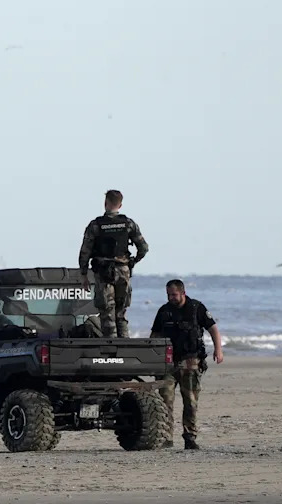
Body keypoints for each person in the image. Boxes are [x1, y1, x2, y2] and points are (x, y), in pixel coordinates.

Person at [151, 279, 224, 450]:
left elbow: (213, 328)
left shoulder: (196, 308)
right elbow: (154, 335)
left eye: (174, 295)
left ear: (183, 293)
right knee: (164, 401)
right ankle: (166, 437)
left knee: (190, 402)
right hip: (167, 363)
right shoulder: (164, 311)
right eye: (168, 295)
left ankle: (190, 437)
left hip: (190, 361)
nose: (171, 298)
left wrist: (218, 350)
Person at [78, 189, 149, 338]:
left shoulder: (96, 225)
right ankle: (125, 348)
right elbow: (143, 247)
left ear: (105, 203)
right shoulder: (128, 224)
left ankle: (111, 352)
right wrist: (133, 262)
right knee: (121, 314)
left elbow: (85, 250)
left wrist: (83, 273)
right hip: (123, 270)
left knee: (107, 313)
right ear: (120, 205)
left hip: (104, 272)